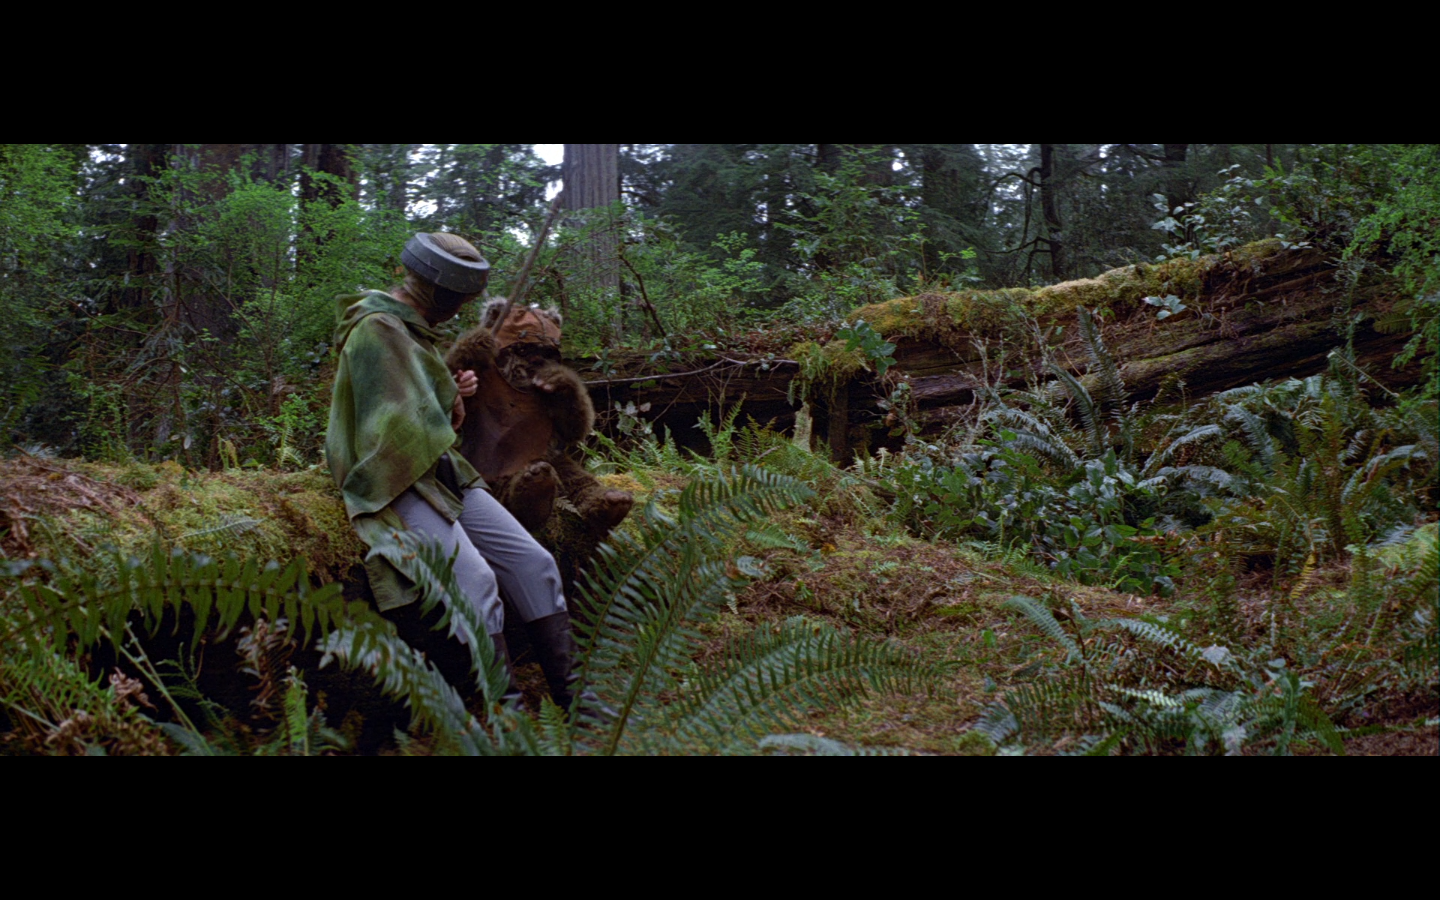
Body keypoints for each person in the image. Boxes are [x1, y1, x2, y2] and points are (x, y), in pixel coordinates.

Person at [325, 232, 582, 711]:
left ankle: (575, 699)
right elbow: (391, 425)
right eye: (457, 300)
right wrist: (448, 398)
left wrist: (452, 390)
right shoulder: (378, 328)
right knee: (476, 582)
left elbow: (423, 400)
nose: (460, 310)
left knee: (535, 564)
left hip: (441, 471)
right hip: (391, 475)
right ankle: (507, 712)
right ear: (437, 291)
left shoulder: (411, 329)